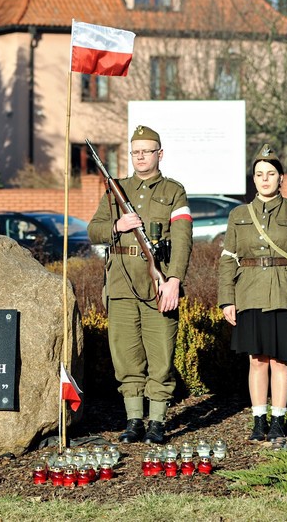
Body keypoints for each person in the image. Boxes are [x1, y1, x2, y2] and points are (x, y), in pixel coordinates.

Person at [87, 125, 193, 445]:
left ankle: (158, 421)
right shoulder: (115, 190)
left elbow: (183, 240)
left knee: (160, 355)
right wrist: (117, 226)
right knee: (126, 356)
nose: (140, 157)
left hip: (158, 282)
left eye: (146, 151)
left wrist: (173, 280)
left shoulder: (174, 191)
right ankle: (134, 420)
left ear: (159, 154)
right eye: (135, 152)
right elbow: (94, 231)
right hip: (120, 285)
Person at [218, 144, 287, 443]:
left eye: (271, 174)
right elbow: (227, 259)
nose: (265, 179)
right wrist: (227, 298)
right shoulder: (239, 214)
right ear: (253, 179)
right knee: (256, 360)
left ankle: (278, 420)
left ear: (281, 178)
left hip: (286, 293)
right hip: (249, 293)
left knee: (280, 360)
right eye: (259, 174)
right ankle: (258, 419)